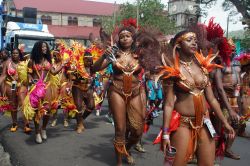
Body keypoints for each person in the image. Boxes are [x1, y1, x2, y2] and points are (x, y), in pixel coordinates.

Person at [159, 31, 234, 165]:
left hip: (205, 123)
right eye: (189, 40)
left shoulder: (203, 67)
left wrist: (225, 123)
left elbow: (211, 100)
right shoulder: (172, 70)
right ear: (179, 45)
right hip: (183, 124)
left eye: (195, 40)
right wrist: (165, 133)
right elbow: (169, 104)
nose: (194, 42)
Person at [93, 20, 145, 165]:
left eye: (128, 36)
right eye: (122, 36)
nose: (124, 38)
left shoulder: (139, 54)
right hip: (117, 91)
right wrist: (104, 55)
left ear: (133, 38)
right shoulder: (113, 54)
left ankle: (126, 150)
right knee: (120, 129)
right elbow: (95, 69)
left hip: (135, 92)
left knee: (137, 130)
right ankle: (118, 162)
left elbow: (153, 66)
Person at [24, 41, 52, 143]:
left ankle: (43, 128)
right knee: (37, 110)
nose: (45, 48)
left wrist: (63, 65)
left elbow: (53, 72)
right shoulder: (32, 61)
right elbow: (28, 74)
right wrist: (31, 79)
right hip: (36, 87)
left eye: (45, 47)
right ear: (37, 48)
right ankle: (37, 132)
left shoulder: (48, 60)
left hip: (47, 87)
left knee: (48, 109)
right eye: (42, 47)